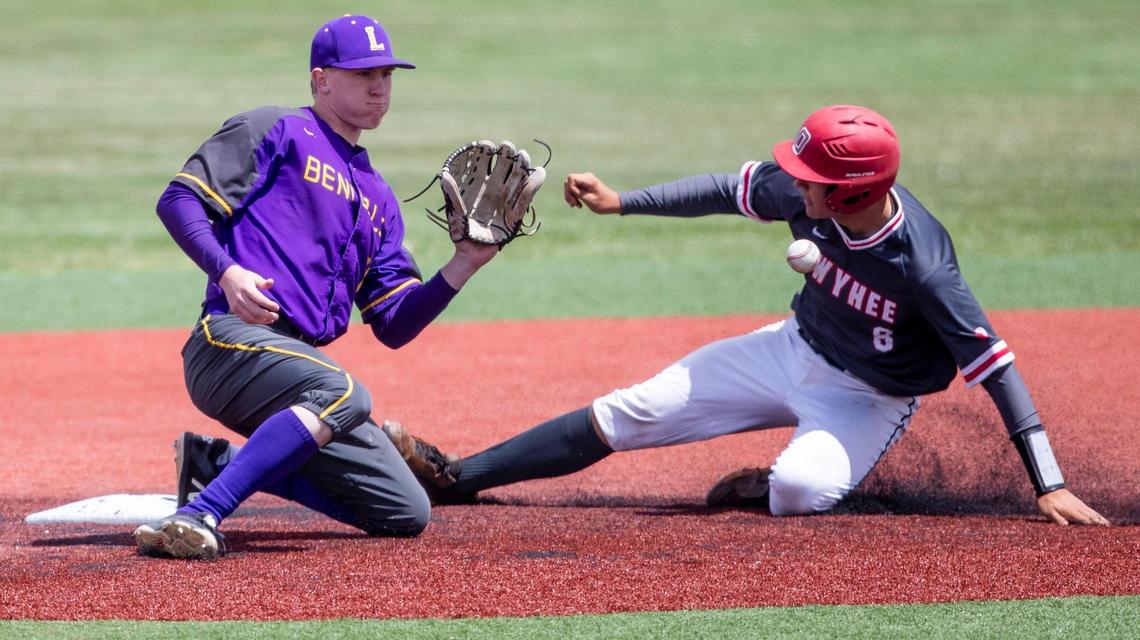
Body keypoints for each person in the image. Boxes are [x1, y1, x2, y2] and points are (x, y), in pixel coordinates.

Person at [392, 104, 1110, 526]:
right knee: (630, 411)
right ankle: (457, 475)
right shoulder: (811, 192)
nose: (794, 182)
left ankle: (765, 486)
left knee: (800, 492)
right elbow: (723, 191)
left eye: (812, 178)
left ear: (854, 193)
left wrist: (1047, 481)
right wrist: (623, 202)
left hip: (870, 396)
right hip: (790, 347)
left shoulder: (922, 266)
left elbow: (996, 365)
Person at [133, 14, 502, 560]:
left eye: (387, 75)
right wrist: (226, 271)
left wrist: (464, 264)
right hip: (230, 342)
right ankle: (200, 514)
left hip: (300, 378)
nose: (380, 87)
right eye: (363, 74)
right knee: (346, 392)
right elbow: (179, 201)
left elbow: (394, 324)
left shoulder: (377, 196)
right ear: (321, 78)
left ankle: (217, 465)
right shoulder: (277, 129)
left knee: (405, 511)